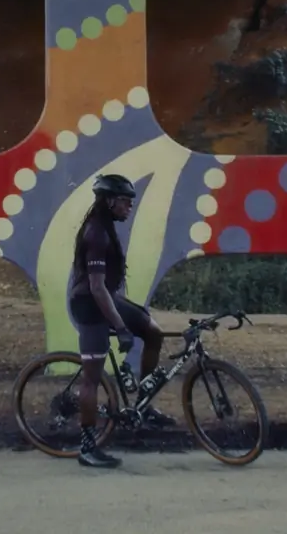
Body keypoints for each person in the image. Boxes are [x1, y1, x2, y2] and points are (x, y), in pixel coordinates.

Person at [68, 173, 177, 469]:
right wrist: (120, 327)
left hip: (105, 299)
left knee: (154, 333)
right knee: (92, 378)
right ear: (109, 201)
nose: (130, 208)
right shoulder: (96, 234)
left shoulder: (106, 226)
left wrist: (127, 321)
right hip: (89, 306)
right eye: (126, 203)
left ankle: (144, 404)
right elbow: (96, 288)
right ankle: (87, 449)